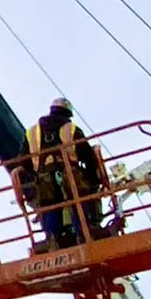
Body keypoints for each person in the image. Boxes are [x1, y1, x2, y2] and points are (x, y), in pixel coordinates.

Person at [16, 101, 111, 250]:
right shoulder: (71, 129)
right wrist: (95, 179)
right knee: (81, 200)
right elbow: (87, 156)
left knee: (49, 206)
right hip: (70, 175)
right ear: (68, 114)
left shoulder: (32, 132)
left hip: (44, 177)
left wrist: (35, 175)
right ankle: (84, 233)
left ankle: (52, 239)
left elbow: (22, 160)